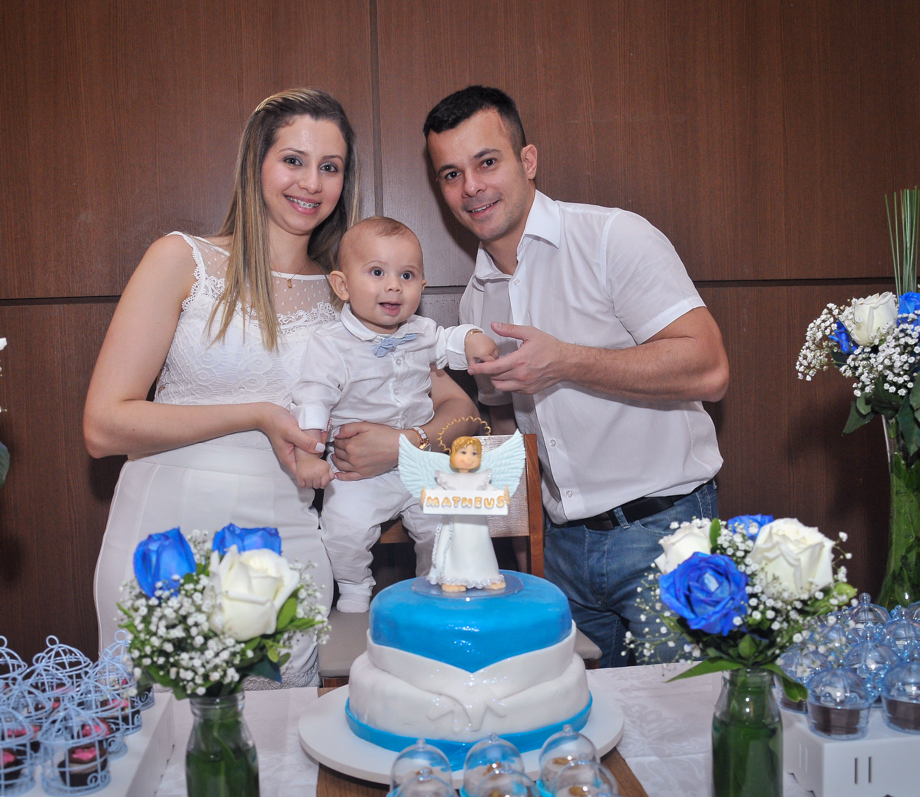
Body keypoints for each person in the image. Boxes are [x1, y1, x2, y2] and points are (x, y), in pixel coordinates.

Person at [84, 88, 479, 686]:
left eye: (330, 167)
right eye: (293, 160)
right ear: (257, 165)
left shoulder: (353, 295)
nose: (311, 183)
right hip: (166, 531)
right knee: (157, 750)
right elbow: (103, 425)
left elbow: (463, 412)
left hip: (289, 535)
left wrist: (407, 442)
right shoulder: (180, 260)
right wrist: (259, 415)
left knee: (279, 753)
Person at [423, 86, 730, 667]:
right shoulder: (474, 300)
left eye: (487, 162)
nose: (471, 188)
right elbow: (505, 423)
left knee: (681, 729)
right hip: (560, 549)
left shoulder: (612, 238)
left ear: (528, 160)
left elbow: (710, 367)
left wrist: (566, 360)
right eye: (451, 174)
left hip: (666, 533)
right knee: (583, 734)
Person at [289, 216, 498, 612]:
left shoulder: (420, 331)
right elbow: (313, 400)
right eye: (377, 272)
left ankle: (435, 588)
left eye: (407, 275)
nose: (393, 285)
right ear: (342, 285)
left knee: (448, 526)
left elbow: (448, 341)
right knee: (342, 528)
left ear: (422, 286)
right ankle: (354, 583)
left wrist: (473, 338)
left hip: (423, 461)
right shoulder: (331, 344)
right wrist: (307, 455)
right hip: (358, 471)